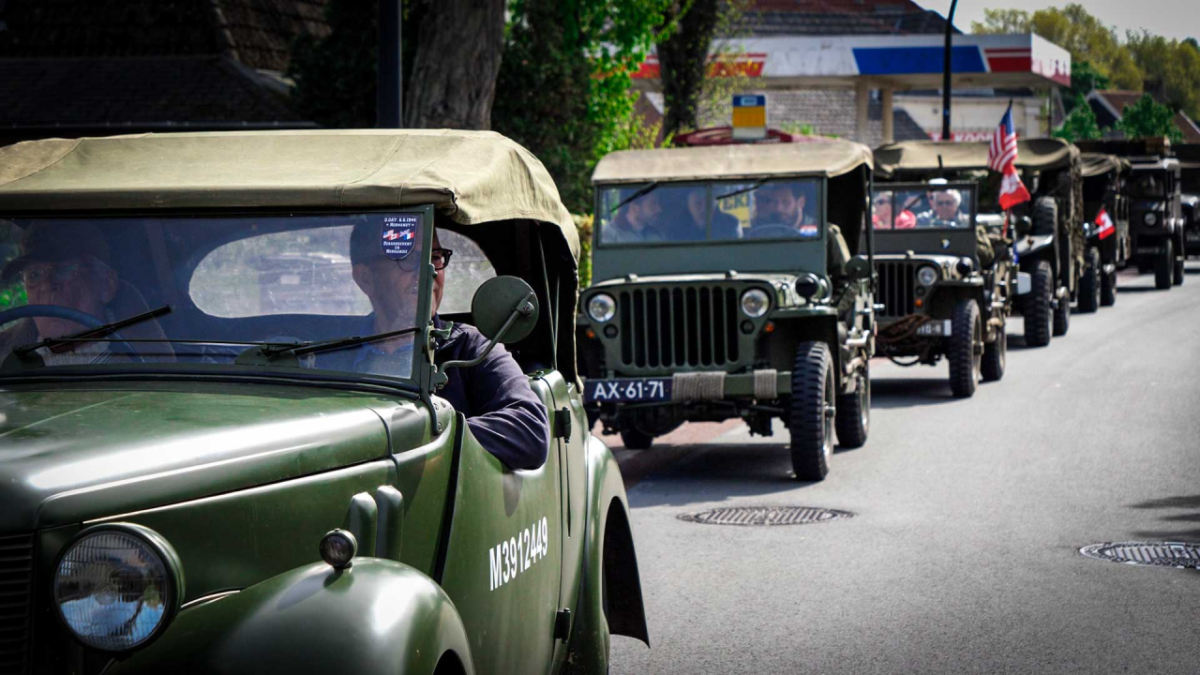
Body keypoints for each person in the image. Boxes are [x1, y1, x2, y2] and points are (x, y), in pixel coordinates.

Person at [346, 221, 551, 471]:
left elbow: (530, 430)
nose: (429, 271)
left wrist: (429, 436)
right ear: (366, 279)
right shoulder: (331, 354)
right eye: (407, 258)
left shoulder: (470, 348)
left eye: (435, 256)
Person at [0, 222, 170, 364]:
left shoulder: (141, 367)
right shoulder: (9, 358)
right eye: (34, 275)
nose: (46, 284)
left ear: (106, 284)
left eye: (63, 269)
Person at [665, 189, 740, 241]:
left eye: (708, 203)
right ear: (689, 205)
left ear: (715, 204)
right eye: (698, 203)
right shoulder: (675, 229)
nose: (703, 209)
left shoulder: (731, 224)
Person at [749, 181, 817, 236]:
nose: (778, 208)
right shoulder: (765, 229)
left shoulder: (817, 228)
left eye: (785, 202)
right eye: (775, 202)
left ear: (801, 202)